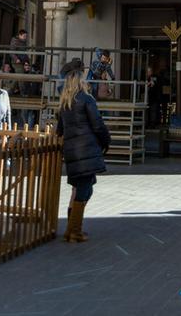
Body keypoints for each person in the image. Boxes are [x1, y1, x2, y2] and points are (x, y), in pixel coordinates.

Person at [56, 58, 110, 243]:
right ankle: (75, 231)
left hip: (72, 154)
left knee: (79, 188)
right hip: (85, 152)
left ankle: (70, 230)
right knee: (84, 190)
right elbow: (98, 125)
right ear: (81, 81)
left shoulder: (64, 104)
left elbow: (59, 131)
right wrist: (106, 141)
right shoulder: (87, 100)